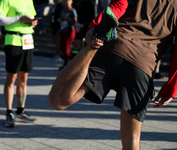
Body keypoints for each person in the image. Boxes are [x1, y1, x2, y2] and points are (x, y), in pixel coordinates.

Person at [48, 0, 177, 149]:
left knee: (57, 99)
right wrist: (171, 87)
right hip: (142, 64)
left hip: (114, 46)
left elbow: (118, 6)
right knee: (132, 141)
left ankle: (95, 42)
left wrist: (95, 27)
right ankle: (98, 38)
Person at [0, 0, 39, 127]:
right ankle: (9, 113)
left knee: (24, 78)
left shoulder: (29, 1)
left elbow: (31, 19)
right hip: (13, 41)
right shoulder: (6, 0)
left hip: (28, 40)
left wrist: (33, 22)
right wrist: (19, 18)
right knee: (12, 77)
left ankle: (20, 111)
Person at [58, 0, 77, 70]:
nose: (66, 2)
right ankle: (68, 62)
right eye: (65, 1)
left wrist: (68, 18)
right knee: (62, 47)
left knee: (66, 48)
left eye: (68, 1)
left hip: (70, 31)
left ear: (72, 1)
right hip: (63, 30)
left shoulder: (72, 11)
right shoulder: (63, 10)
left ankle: (67, 63)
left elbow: (75, 22)